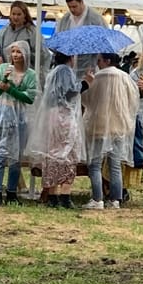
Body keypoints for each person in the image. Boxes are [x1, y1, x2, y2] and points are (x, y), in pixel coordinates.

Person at [0, 41, 36, 203]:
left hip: (19, 116)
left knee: (15, 155)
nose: (15, 55)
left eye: (19, 52)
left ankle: (12, 191)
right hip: (3, 114)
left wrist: (11, 89)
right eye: (13, 52)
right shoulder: (2, 69)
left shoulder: (30, 74)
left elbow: (30, 97)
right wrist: (3, 81)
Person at [28, 51, 84, 207]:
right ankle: (65, 195)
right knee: (68, 152)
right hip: (63, 116)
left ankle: (52, 195)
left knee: (52, 153)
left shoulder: (52, 73)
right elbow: (70, 93)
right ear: (71, 57)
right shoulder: (65, 71)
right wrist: (85, 84)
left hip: (51, 116)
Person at [82, 51, 137, 211]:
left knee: (95, 164)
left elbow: (87, 100)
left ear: (106, 61)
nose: (97, 63)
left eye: (99, 60)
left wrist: (87, 82)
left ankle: (97, 198)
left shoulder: (97, 78)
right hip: (119, 126)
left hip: (98, 125)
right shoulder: (125, 77)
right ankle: (115, 200)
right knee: (115, 165)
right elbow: (132, 100)